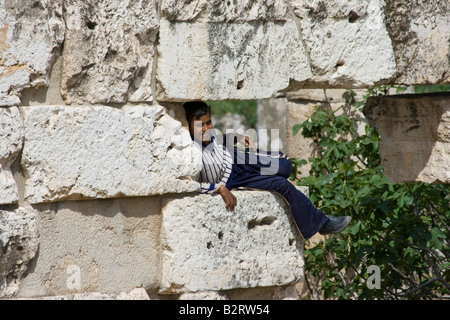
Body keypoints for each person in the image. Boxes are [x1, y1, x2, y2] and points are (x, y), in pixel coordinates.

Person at [183, 101, 351, 241]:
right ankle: (323, 224)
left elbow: (217, 139)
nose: (206, 128)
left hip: (235, 160)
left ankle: (320, 221)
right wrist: (219, 188)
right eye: (200, 125)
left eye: (208, 123)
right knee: (281, 184)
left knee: (285, 166)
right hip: (234, 180)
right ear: (188, 125)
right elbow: (191, 184)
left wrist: (235, 137)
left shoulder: (208, 135)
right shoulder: (190, 151)